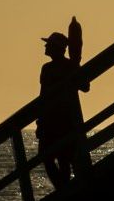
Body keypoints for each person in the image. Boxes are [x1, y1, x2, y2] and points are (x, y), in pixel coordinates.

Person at [37, 18, 88, 188]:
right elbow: (85, 86)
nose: (45, 47)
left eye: (48, 45)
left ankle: (63, 188)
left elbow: (43, 96)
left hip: (58, 120)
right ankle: (65, 187)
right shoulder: (66, 66)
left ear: (55, 48)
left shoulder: (51, 68)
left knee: (54, 156)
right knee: (62, 157)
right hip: (62, 120)